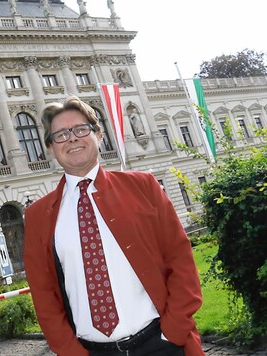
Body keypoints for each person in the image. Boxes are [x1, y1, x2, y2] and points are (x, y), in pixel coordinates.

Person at [24, 96, 204, 356]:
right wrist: (69, 351)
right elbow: (43, 294)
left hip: (159, 343)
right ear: (50, 148)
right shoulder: (38, 215)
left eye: (81, 129)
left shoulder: (143, 186)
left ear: (98, 134)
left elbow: (180, 259)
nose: (72, 138)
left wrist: (173, 330)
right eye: (61, 135)